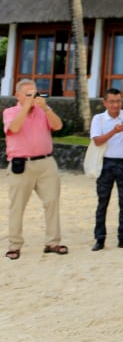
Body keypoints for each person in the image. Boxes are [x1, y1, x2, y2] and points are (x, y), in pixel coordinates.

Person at [4, 80, 65, 260]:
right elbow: (14, 127)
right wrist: (26, 107)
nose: (33, 97)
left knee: (52, 202)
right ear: (18, 96)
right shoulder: (10, 112)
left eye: (35, 93)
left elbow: (58, 126)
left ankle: (53, 242)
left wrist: (46, 108)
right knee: (17, 206)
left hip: (46, 163)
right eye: (28, 94)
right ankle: (14, 245)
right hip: (21, 164)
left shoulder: (43, 110)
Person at [89, 88, 123, 251]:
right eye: (112, 102)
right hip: (106, 163)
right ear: (105, 103)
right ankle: (100, 238)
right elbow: (97, 141)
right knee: (103, 202)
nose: (116, 105)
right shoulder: (99, 119)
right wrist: (114, 131)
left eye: (118, 101)